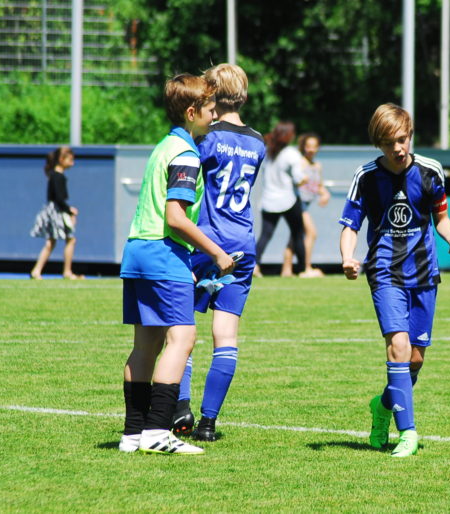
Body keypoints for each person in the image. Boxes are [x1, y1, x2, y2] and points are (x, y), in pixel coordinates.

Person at [339, 103, 450, 457]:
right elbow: (350, 225)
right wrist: (348, 257)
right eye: (388, 143)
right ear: (378, 144)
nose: (397, 149)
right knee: (397, 345)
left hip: (425, 272)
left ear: (410, 135)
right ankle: (407, 431)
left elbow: (441, 217)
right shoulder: (366, 176)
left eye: (401, 140)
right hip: (384, 271)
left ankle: (382, 407)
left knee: (415, 359)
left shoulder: (430, 171)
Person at [118, 73, 235, 455]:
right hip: (162, 253)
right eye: (210, 110)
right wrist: (216, 253)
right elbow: (176, 217)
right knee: (182, 338)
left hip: (137, 251)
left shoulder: (164, 146)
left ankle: (133, 433)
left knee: (146, 344)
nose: (214, 116)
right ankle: (157, 431)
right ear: (191, 112)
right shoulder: (187, 155)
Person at [171, 63, 266, 442]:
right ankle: (209, 423)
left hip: (204, 242)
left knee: (182, 331)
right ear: (243, 93)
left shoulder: (206, 137)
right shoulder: (258, 142)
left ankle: (182, 408)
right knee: (225, 335)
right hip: (242, 242)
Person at [253, 122, 309, 277]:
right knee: (298, 233)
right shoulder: (291, 153)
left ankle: (254, 266)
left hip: (268, 200)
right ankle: (304, 269)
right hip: (288, 200)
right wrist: (306, 179)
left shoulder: (268, 151)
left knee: (265, 235)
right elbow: (299, 178)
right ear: (289, 136)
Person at [29, 146, 84, 280]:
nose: (72, 163)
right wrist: (70, 211)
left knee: (52, 242)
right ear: (61, 159)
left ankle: (37, 271)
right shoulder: (57, 176)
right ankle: (66, 271)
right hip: (56, 211)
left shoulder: (55, 175)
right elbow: (59, 198)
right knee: (70, 239)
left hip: (54, 209)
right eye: (70, 160)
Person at [280, 133, 330, 277]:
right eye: (308, 146)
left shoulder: (317, 166)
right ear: (303, 147)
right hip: (297, 203)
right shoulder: (300, 163)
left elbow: (318, 185)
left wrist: (325, 193)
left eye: (314, 147)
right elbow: (296, 181)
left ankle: (286, 270)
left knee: (294, 237)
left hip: (306, 204)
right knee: (311, 233)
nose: (311, 149)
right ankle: (306, 268)